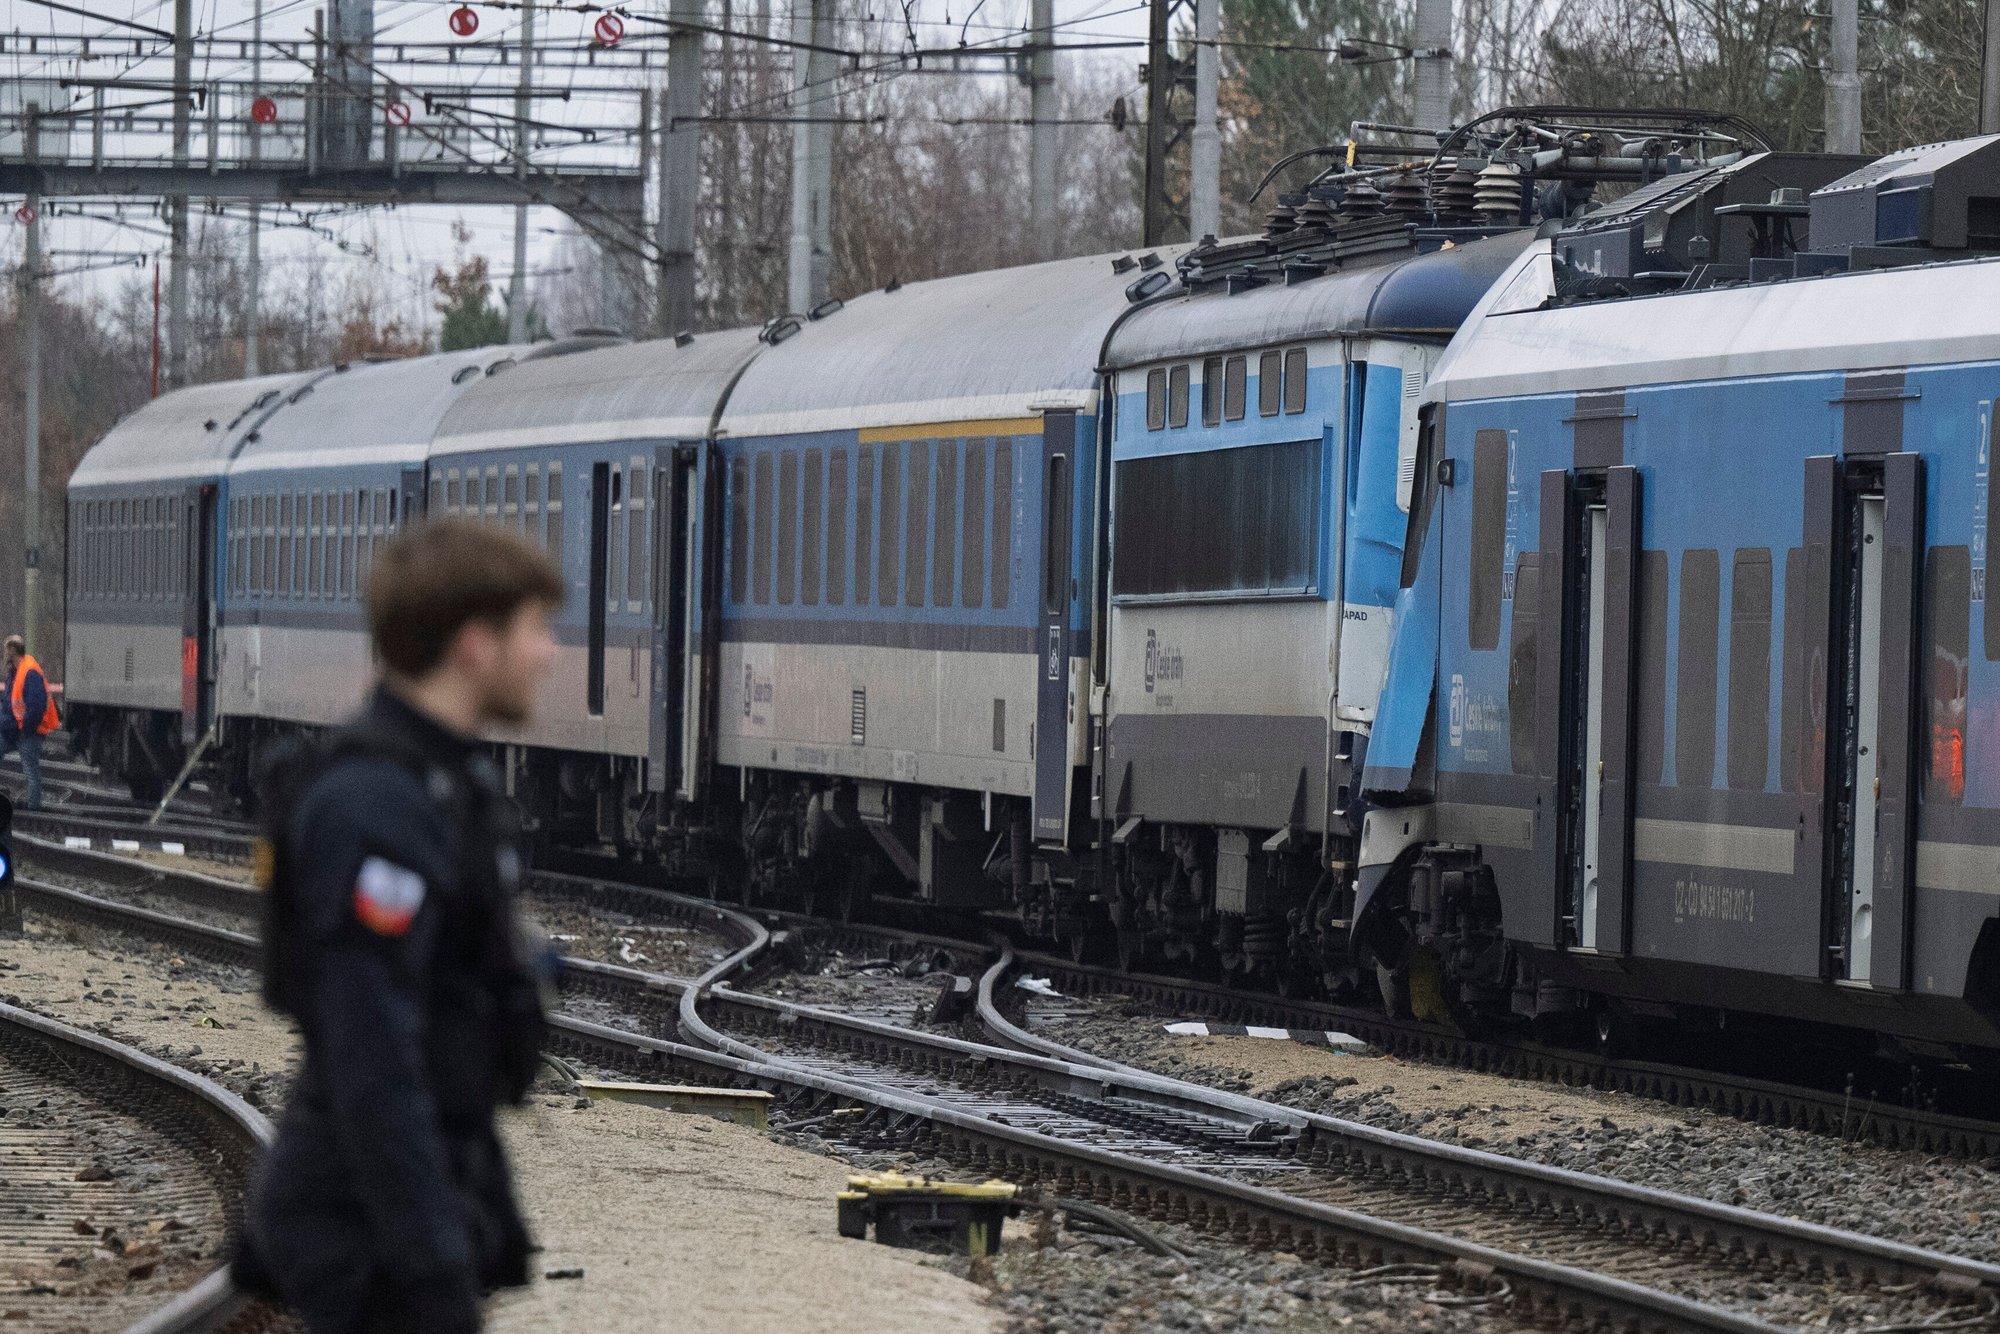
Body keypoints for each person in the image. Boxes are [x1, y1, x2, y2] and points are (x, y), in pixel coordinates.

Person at [232, 519, 563, 1334]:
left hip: (410, 1205)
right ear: (474, 644)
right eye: (535, 629)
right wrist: (432, 1267)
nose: (550, 653)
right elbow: (371, 1057)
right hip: (364, 1231)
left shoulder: (443, 787)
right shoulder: (376, 808)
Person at [2, 636, 57, 811]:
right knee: (30, 770)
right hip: (15, 730)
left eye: (5, 649)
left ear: (12, 650)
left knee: (31, 772)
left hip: (28, 733)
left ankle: (34, 808)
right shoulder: (16, 671)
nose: (3, 653)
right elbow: (11, 703)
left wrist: (25, 728)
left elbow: (36, 706)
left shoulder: (29, 671)